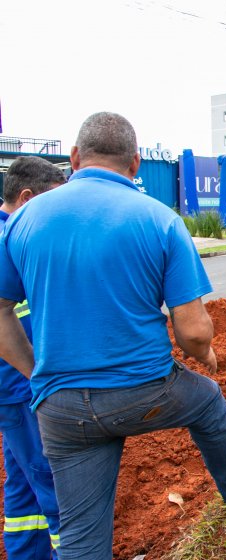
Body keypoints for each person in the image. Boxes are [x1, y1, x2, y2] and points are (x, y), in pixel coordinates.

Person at [0, 112, 226, 559]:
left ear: (74, 158)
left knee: (81, 541)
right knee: (206, 400)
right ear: (136, 163)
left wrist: (39, 375)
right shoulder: (159, 219)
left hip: (62, 410)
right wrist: (205, 354)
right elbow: (192, 329)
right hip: (143, 393)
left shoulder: (24, 219)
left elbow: (1, 313)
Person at [0, 156, 66, 559]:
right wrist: (40, 379)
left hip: (15, 389)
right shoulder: (13, 242)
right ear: (26, 199)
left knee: (24, 493)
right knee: (58, 489)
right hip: (22, 387)